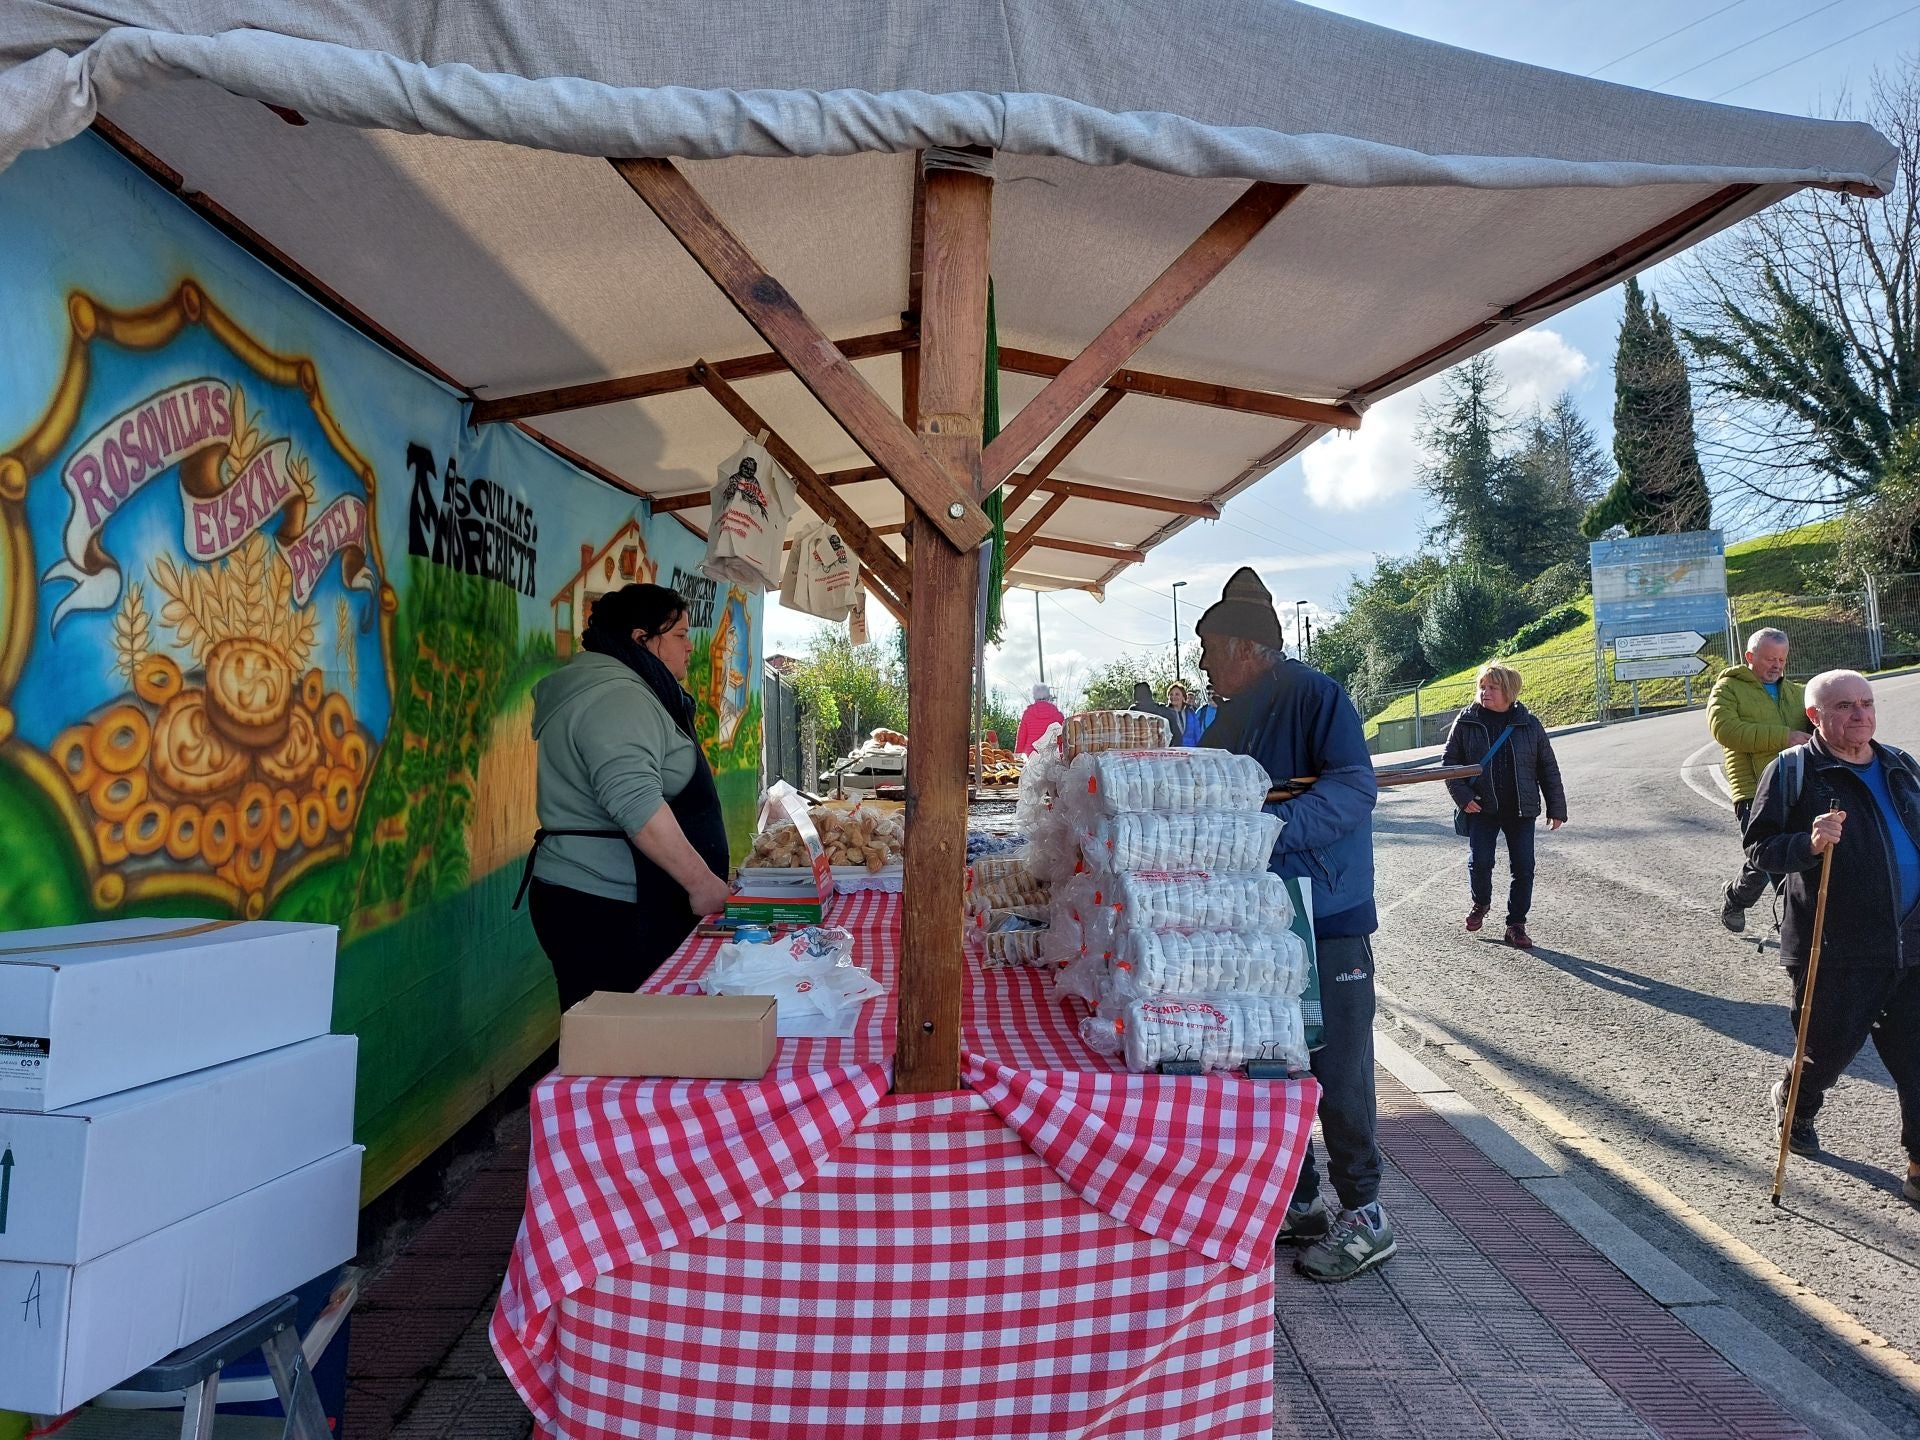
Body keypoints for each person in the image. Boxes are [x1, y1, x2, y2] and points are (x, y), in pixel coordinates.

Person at [1196, 566, 1393, 1281]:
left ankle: (1367, 1214)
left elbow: (1353, 788)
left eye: (1212, 648)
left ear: (1249, 647)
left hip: (1329, 917)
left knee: (1339, 1072)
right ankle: (1302, 1200)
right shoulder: (1227, 714)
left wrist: (1270, 828)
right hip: (1261, 925)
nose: (1205, 663)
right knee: (1278, 1061)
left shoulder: (1316, 695)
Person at [1744, 670, 1920, 1206]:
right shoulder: (1797, 771)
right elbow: (1760, 849)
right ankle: (1795, 1105)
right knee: (1826, 1051)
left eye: (1866, 703)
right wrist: (1809, 842)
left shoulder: (1901, 767)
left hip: (1912, 944)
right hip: (1837, 947)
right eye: (1844, 706)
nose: (1861, 715)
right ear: (1816, 716)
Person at [519, 583, 733, 1008]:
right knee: (617, 1044)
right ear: (642, 639)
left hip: (603, 900)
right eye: (679, 636)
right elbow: (637, 806)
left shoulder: (618, 685)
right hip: (604, 907)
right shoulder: (615, 695)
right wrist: (702, 883)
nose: (690, 647)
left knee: (612, 1039)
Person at [1441, 663, 1568, 950]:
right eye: (1482, 687)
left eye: (1492, 688)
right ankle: (1481, 903)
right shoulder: (1466, 720)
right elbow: (1449, 764)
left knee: (1524, 868)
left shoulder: (1529, 724)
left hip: (1521, 809)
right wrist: (1463, 796)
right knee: (1480, 862)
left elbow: (1547, 767)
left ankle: (1516, 925)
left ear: (1508, 691)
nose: (1484, 693)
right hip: (1481, 808)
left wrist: (1556, 807)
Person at [1709, 627, 1809, 933]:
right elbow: (1725, 730)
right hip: (1753, 790)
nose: (1777, 665)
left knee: (1785, 860)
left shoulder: (1797, 692)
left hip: (1796, 785)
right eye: (1769, 658)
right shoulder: (1728, 689)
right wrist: (1786, 737)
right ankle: (1800, 948)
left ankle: (1736, 896)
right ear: (1750, 657)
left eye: (1781, 659)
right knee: (1779, 864)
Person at [1015, 683, 1066, 754]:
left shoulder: (1027, 713)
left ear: (1034, 697)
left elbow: (1021, 738)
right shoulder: (1058, 715)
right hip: (1051, 756)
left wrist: (1017, 754)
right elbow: (1063, 739)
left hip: (1031, 755)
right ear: (1048, 696)